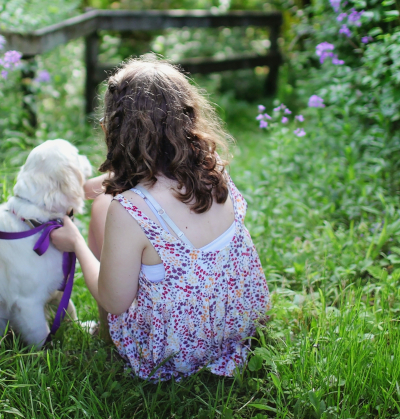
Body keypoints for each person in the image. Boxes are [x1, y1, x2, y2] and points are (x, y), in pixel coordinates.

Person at [50, 57, 270, 381]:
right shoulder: (213, 169)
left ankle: (105, 334)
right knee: (103, 200)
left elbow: (115, 301)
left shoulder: (128, 210)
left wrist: (77, 245)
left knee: (100, 208)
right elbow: (153, 184)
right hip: (235, 323)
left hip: (172, 351)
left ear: (112, 130)